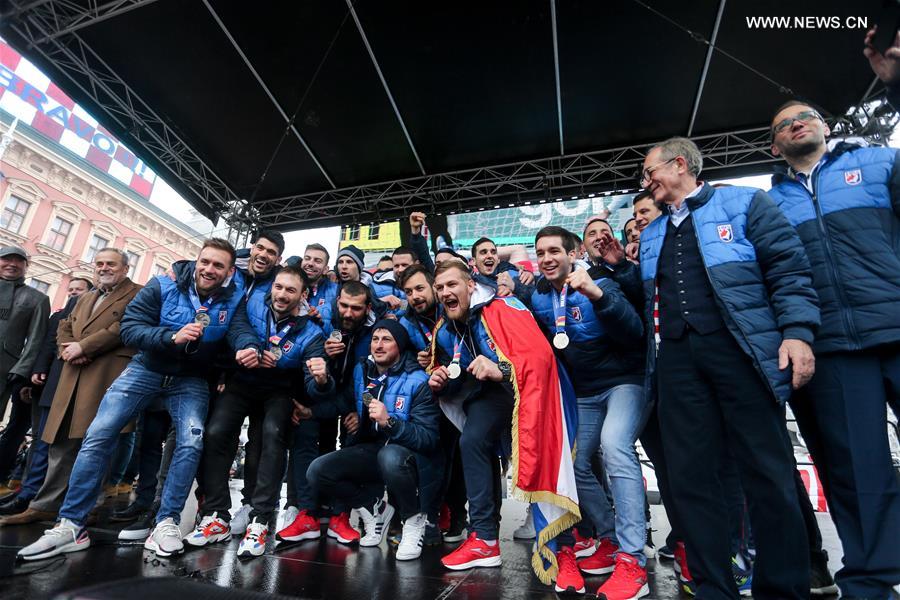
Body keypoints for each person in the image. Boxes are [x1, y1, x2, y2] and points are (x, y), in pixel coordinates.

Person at [623, 136, 819, 599]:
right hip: (676, 364)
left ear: (678, 164)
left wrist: (797, 332)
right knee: (690, 478)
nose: (645, 181)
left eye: (649, 171)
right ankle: (713, 586)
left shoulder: (745, 202)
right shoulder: (649, 233)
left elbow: (789, 270)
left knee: (768, 474)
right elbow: (647, 295)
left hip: (741, 353)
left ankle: (784, 587)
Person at [17, 238, 261, 561]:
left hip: (191, 380)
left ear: (230, 272)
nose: (210, 269)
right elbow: (131, 330)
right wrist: (169, 337)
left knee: (190, 443)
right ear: (197, 261)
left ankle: (167, 522)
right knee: (99, 433)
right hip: (146, 367)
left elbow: (240, 330)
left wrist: (248, 346)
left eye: (219, 266)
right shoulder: (162, 285)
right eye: (206, 262)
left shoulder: (233, 301)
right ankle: (71, 525)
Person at [768, 99, 900, 599]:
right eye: (783, 124)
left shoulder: (880, 163)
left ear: (824, 126)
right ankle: (870, 581)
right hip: (832, 348)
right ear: (774, 145)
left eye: (805, 115)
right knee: (856, 470)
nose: (796, 122)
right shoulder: (769, 205)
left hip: (896, 322)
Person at [429, 262, 579, 585]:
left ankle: (571, 544)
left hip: (536, 390)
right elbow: (463, 375)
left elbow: (539, 359)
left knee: (555, 459)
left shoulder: (505, 307)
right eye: (439, 288)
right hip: (494, 394)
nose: (444, 293)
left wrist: (500, 368)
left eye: (451, 285)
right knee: (472, 440)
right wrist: (443, 382)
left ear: (470, 285)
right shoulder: (445, 330)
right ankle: (483, 538)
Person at [527, 225, 648, 599]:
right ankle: (610, 539)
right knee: (575, 463)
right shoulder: (537, 296)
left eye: (554, 252)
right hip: (583, 392)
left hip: (624, 383)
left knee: (614, 447)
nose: (547, 259)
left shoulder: (599, 282)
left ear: (573, 252)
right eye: (541, 252)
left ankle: (634, 561)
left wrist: (596, 295)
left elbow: (635, 331)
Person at [189, 266, 333, 557]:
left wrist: (321, 379)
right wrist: (248, 347)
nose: (281, 295)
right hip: (242, 380)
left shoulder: (313, 332)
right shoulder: (252, 301)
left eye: (290, 290)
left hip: (278, 389)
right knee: (216, 433)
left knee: (271, 437)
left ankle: (260, 518)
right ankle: (216, 515)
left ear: (303, 295)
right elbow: (237, 328)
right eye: (278, 287)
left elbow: (313, 379)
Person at [1, 249, 141, 526]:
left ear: (125, 268)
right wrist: (69, 349)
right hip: (71, 371)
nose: (104, 268)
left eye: (111, 264)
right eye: (99, 263)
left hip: (105, 374)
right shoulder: (86, 296)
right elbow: (64, 325)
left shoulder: (137, 293)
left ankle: (86, 507)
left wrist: (84, 346)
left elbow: (123, 326)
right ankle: (44, 504)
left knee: (96, 443)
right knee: (59, 441)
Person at [301, 319, 440, 560]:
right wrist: (311, 411)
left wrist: (390, 423)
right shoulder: (362, 371)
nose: (378, 345)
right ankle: (375, 508)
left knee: (390, 456)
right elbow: (343, 402)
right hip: (373, 450)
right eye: (375, 339)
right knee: (317, 470)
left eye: (387, 339)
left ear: (400, 345)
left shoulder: (418, 380)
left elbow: (428, 438)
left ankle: (414, 519)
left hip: (410, 457)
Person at [0, 279, 91, 512]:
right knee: (40, 440)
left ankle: (36, 494)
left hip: (74, 383)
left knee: (53, 444)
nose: (73, 293)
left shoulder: (92, 309)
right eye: (70, 290)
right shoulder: (64, 310)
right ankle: (28, 491)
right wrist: (36, 372)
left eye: (78, 289)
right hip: (47, 382)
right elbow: (47, 342)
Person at [0, 245, 50, 425]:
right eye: (6, 259)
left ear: (26, 266)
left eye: (19, 261)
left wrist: (21, 369)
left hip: (3, 368)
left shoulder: (37, 299)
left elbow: (36, 339)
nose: (12, 264)